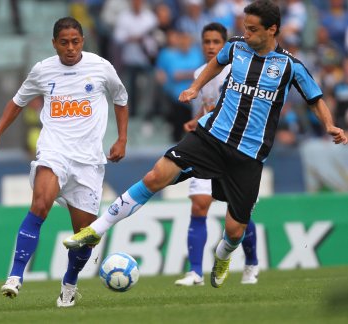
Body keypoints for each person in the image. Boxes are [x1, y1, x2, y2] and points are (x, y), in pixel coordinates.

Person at [63, 0, 347, 289]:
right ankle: (96, 229)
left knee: (235, 231)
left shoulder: (290, 66)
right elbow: (216, 63)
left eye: (252, 29)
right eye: (244, 28)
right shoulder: (236, 47)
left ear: (272, 29)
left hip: (247, 156)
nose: (246, 34)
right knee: (156, 175)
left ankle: (222, 255)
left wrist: (329, 125)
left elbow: (315, 99)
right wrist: (195, 87)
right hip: (211, 137)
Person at [0, 17, 129, 307]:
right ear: (54, 43)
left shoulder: (101, 67)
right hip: (54, 151)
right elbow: (18, 101)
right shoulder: (43, 70)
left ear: (82, 41)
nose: (70, 48)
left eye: (75, 41)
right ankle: (15, 276)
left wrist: (122, 139)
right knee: (40, 204)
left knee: (85, 237)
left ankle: (69, 284)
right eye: (64, 42)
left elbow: (120, 99)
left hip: (88, 162)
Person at [174, 22, 259, 287]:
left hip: (233, 150)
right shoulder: (201, 73)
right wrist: (195, 121)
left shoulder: (237, 70)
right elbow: (208, 108)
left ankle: (251, 263)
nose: (211, 47)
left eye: (216, 42)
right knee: (199, 204)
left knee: (237, 213)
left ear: (226, 46)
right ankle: (195, 272)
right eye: (206, 42)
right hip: (207, 147)